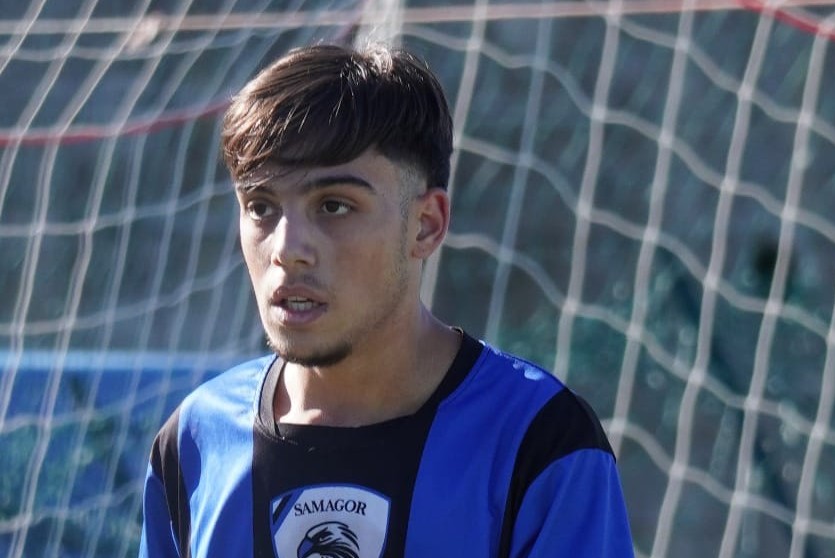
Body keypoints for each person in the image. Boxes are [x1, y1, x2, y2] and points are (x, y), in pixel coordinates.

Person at [137, 42, 634, 558]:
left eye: (334, 205)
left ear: (426, 225)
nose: (287, 249)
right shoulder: (195, 441)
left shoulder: (538, 441)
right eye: (261, 207)